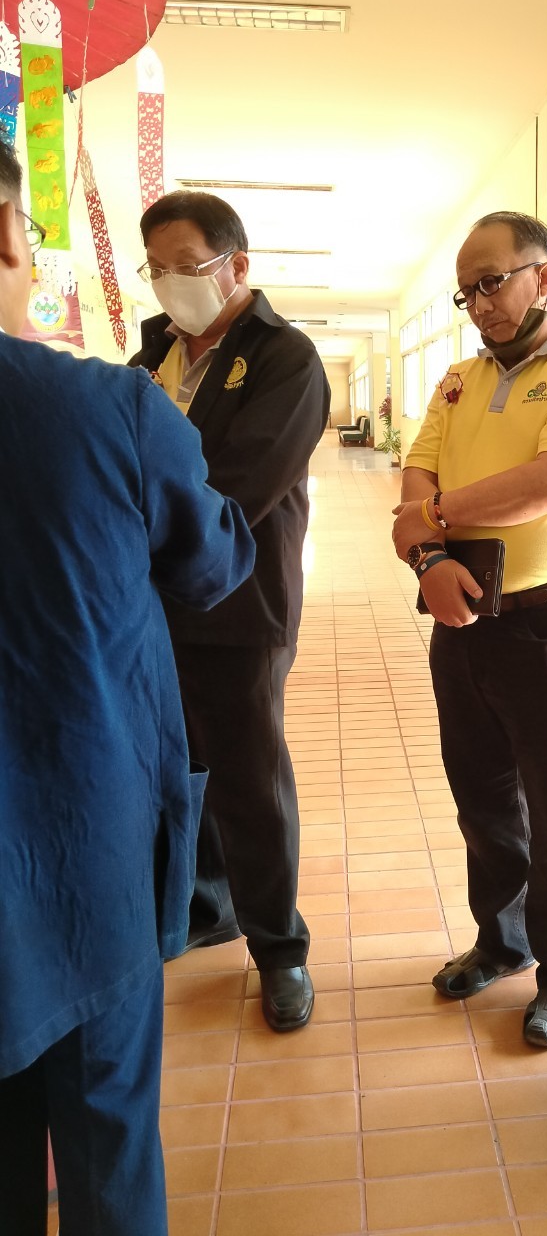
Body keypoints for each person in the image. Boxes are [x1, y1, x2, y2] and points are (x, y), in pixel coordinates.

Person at [0, 140, 255, 1235]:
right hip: (76, 838)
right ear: (11, 237)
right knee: (104, 1131)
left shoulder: (275, 360)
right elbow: (211, 560)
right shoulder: (113, 404)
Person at [392, 211, 547, 1047]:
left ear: (545, 277)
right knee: (483, 796)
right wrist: (429, 557)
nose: (480, 304)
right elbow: (417, 471)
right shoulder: (458, 378)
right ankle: (502, 943)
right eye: (467, 292)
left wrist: (427, 519)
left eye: (492, 282)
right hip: (462, 612)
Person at [130, 191, 330, 1031]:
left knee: (250, 778)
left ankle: (280, 948)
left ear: (235, 265)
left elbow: (241, 483)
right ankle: (207, 905)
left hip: (241, 604)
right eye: (156, 268)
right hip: (152, 600)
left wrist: (133, 523)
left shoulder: (285, 358)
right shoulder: (151, 353)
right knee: (181, 761)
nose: (169, 283)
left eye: (185, 266)